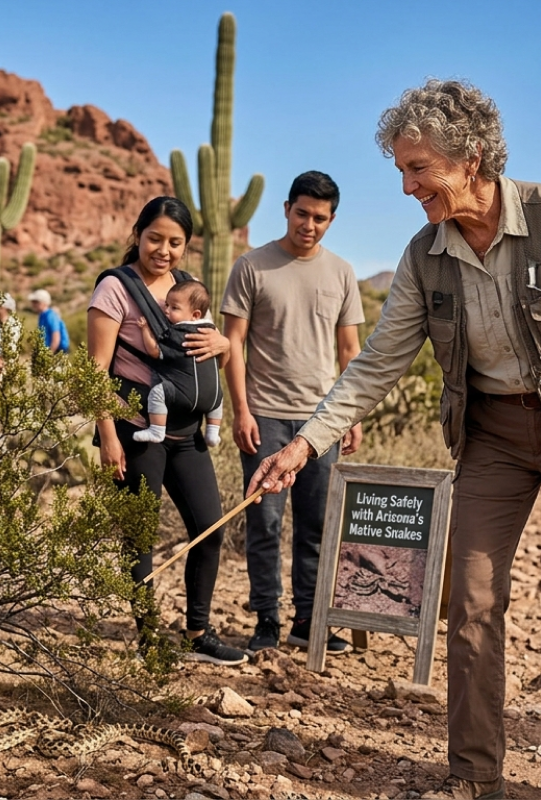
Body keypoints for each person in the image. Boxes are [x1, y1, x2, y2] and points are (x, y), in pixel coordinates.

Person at [246, 80, 541, 800]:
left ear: (471, 157)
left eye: (419, 169)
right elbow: (380, 360)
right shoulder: (425, 253)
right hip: (493, 439)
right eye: (402, 171)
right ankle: (474, 775)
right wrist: (304, 445)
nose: (408, 186)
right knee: (471, 603)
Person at [87, 195, 246, 667]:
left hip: (187, 432)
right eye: (155, 238)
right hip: (134, 428)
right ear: (138, 234)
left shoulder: (188, 288)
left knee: (208, 528)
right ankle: (148, 637)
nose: (164, 249)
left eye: (175, 242)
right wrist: (108, 436)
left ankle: (197, 632)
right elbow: (95, 370)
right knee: (140, 536)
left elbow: (208, 353)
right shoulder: (115, 288)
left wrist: (223, 344)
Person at [221, 170, 365, 655]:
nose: (309, 224)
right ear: (286, 209)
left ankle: (309, 620)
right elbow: (233, 343)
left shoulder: (342, 272)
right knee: (263, 521)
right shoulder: (252, 266)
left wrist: (352, 415)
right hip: (264, 416)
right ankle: (266, 618)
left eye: (320, 217)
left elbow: (350, 350)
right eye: (302, 213)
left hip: (321, 422)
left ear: (333, 220)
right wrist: (241, 411)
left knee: (317, 522)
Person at [131, 280, 224, 446]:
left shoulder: (178, 334)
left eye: (174, 308)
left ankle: (157, 430)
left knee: (157, 393)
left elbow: (154, 351)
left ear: (195, 315)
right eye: (167, 305)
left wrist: (145, 330)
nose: (166, 311)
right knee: (218, 394)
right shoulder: (211, 331)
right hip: (213, 398)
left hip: (184, 396)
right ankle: (212, 433)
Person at [0, 293, 21, 375]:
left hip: (6, 363)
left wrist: (2, 359)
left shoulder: (13, 324)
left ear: (5, 309)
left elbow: (11, 345)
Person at [29, 289, 70, 353]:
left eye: (36, 302)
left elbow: (56, 337)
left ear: (43, 302)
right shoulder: (42, 315)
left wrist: (49, 354)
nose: (33, 304)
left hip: (57, 352)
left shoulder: (50, 316)